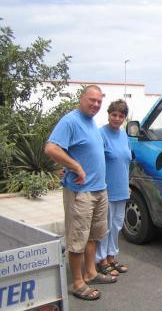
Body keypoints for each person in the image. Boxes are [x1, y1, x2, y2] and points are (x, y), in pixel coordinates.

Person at [45, 85, 117, 301]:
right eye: (91, 100)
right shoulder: (70, 120)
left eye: (99, 102)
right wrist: (75, 166)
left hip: (98, 190)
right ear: (81, 98)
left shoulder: (91, 122)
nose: (95, 104)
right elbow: (51, 148)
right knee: (77, 238)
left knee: (94, 236)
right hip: (80, 192)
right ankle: (77, 282)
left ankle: (91, 272)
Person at [95, 99, 131, 276]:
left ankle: (111, 256)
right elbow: (94, 161)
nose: (117, 118)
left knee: (117, 225)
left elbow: (126, 162)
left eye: (121, 115)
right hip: (106, 189)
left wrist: (128, 185)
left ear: (125, 118)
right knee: (105, 227)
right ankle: (100, 259)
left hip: (122, 189)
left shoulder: (124, 134)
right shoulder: (100, 134)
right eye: (114, 114)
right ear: (108, 114)